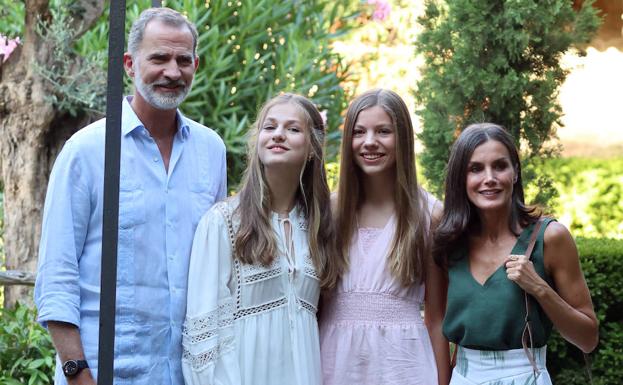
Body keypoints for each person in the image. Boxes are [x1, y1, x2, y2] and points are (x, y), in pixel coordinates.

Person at [34, 7, 227, 385]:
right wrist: (77, 373)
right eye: (159, 58)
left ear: (195, 65)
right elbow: (57, 273)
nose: (172, 71)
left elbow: (216, 264)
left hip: (190, 374)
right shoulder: (87, 151)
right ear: (129, 64)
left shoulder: (212, 151)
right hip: (106, 373)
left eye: (182, 60)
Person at [181, 93, 334, 385]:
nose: (278, 134)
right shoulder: (223, 222)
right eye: (270, 126)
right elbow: (204, 338)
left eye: (293, 128)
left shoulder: (319, 227)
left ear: (313, 148)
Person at [435, 123, 599, 384]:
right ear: (461, 179)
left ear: (515, 173)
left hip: (526, 376)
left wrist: (540, 288)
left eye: (500, 166)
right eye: (475, 168)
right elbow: (436, 324)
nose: (489, 177)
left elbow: (588, 339)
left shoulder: (550, 237)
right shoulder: (450, 241)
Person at [319, 89, 450, 385]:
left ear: (402, 138)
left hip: (403, 365)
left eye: (383, 131)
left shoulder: (429, 215)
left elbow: (436, 317)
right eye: (359, 132)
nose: (369, 142)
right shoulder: (330, 210)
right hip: (334, 361)